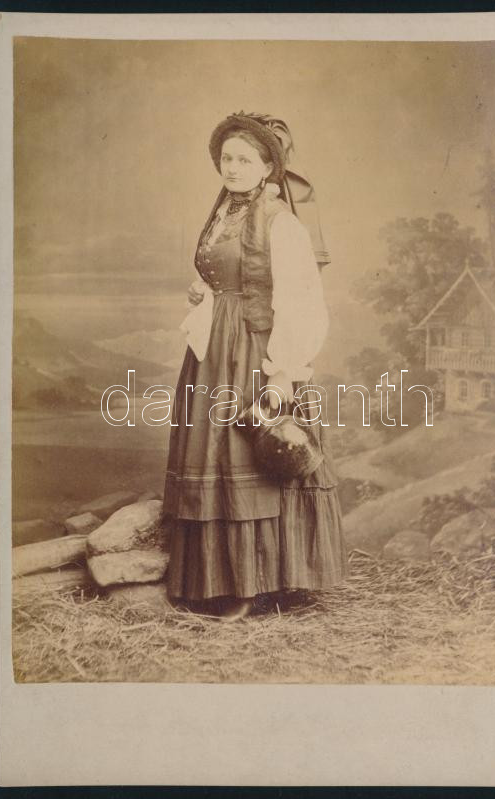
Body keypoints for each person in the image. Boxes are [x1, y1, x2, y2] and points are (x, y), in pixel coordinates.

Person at [162, 112, 348, 620]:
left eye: (245, 160)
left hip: (254, 351)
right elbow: (226, 274)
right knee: (214, 456)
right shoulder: (223, 211)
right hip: (214, 352)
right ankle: (213, 579)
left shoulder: (280, 222)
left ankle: (255, 584)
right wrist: (204, 292)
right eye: (227, 158)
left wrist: (283, 372)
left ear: (268, 168)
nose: (233, 168)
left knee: (251, 456)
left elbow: (301, 300)